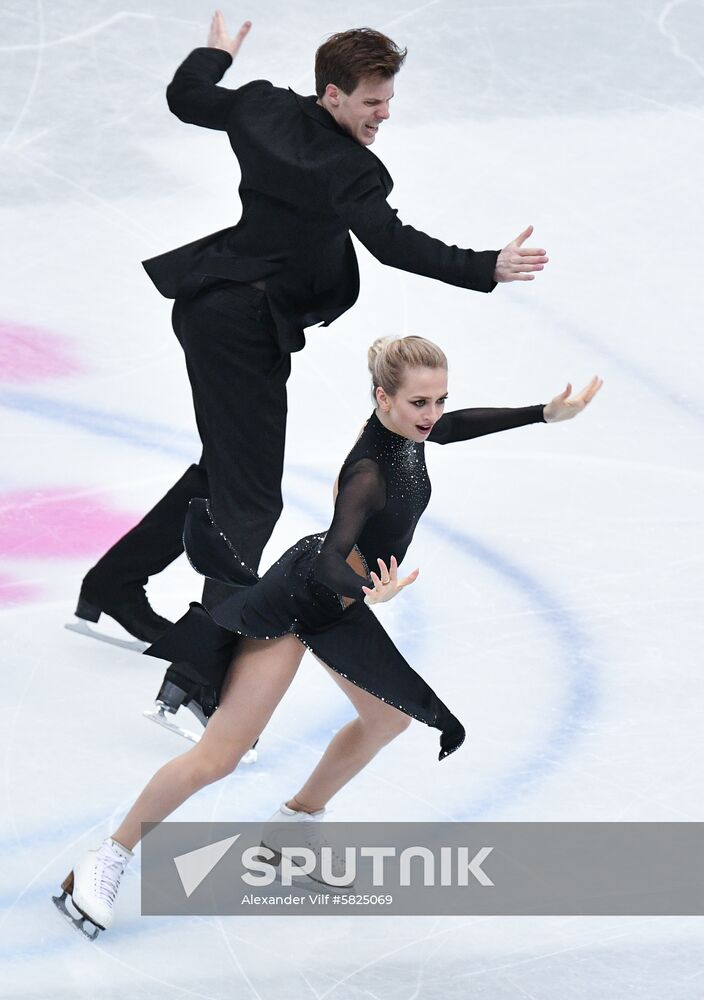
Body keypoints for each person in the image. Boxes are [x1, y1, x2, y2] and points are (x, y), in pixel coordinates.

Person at [71, 12, 550, 722]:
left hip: (212, 304)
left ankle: (114, 585)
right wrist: (486, 266)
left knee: (227, 471)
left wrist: (214, 55)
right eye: (371, 102)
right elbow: (392, 244)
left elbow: (189, 100)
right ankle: (201, 672)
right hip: (243, 325)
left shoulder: (262, 105)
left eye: (388, 100)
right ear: (332, 95)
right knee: (251, 498)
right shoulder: (348, 168)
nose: (384, 114)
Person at [53, 335, 602, 937]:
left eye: (440, 399)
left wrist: (544, 414)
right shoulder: (368, 469)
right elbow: (331, 557)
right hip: (299, 602)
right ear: (382, 398)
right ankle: (108, 858)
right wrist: (368, 592)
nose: (433, 414)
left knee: (388, 718)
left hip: (339, 607)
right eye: (421, 402)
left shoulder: (409, 433)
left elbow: (456, 427)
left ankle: (293, 829)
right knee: (219, 756)